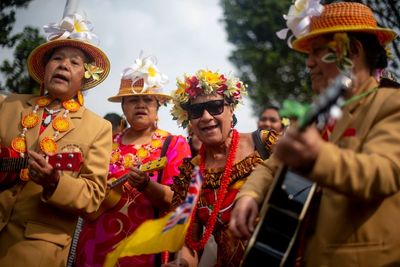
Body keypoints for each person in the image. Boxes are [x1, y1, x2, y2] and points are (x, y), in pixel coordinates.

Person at [230, 2, 400, 266]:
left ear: (352, 50)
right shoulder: (315, 115)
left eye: (318, 52)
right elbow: (270, 167)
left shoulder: (392, 104)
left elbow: (382, 172)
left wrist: (315, 156)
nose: (308, 63)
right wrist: (249, 195)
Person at [0, 13, 112, 266]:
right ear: (46, 68)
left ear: (85, 76)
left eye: (74, 63)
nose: (63, 65)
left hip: (36, 251)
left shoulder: (99, 128)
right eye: (57, 59)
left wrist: (55, 182)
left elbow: (93, 197)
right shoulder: (8, 104)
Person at [75, 55, 191, 267]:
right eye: (132, 100)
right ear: (123, 107)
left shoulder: (174, 144)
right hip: (93, 249)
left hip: (143, 252)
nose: (141, 105)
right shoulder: (105, 142)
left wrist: (147, 185)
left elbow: (179, 200)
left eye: (148, 100)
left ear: (158, 107)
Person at [163, 69, 279, 267]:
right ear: (188, 119)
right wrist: (181, 264)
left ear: (231, 108)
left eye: (215, 106)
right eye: (196, 111)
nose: (206, 117)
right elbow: (190, 243)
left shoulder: (265, 144)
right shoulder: (190, 174)